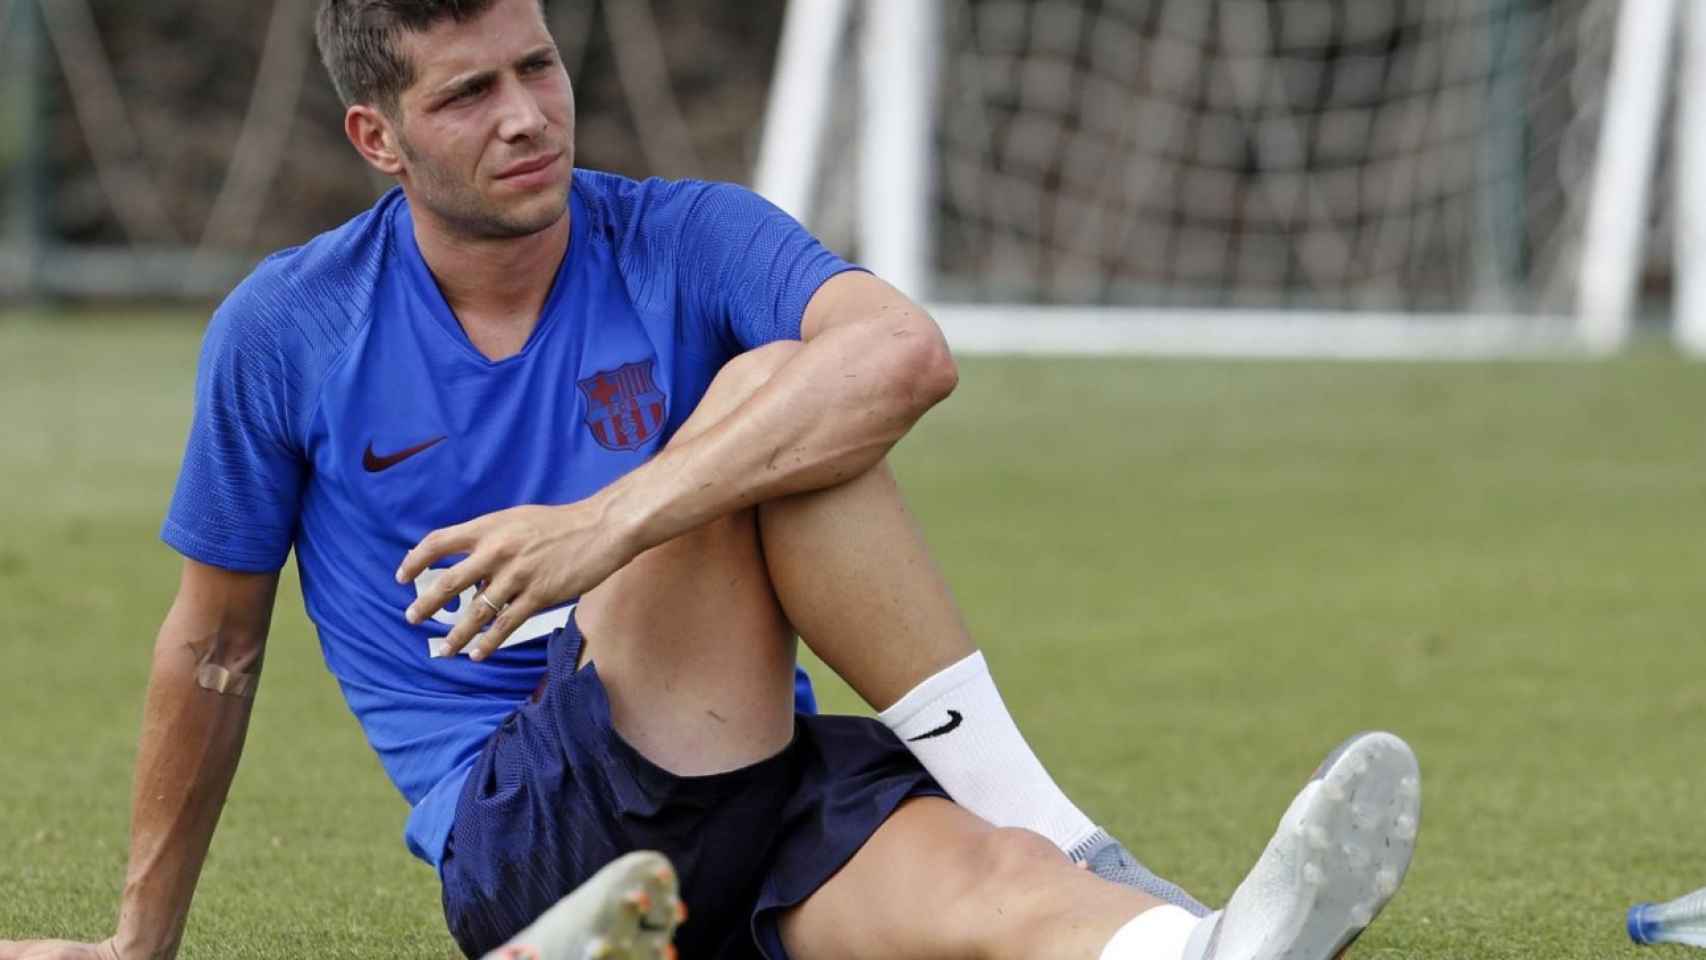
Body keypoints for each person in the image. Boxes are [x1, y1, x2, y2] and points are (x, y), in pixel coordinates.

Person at [0, 1, 1422, 958]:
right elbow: (214, 639)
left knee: (1006, 891)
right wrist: (140, 943)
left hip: (756, 767)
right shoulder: (287, 327)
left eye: (538, 67)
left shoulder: (685, 235)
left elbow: (906, 359)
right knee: (766, 400)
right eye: (469, 93)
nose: (525, 115)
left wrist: (599, 527)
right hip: (522, 812)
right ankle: (585, 925)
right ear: (378, 137)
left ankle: (1173, 928)